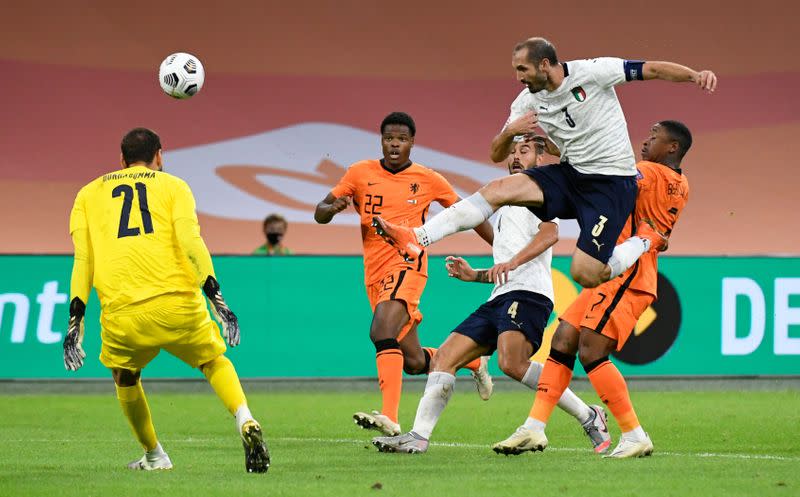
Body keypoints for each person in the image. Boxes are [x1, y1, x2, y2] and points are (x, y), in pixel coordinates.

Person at [373, 37, 714, 290]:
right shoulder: (525, 101)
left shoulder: (592, 73)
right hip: (571, 174)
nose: (518, 76)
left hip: (611, 183)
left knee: (586, 274)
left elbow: (651, 69)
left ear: (546, 64)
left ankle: (645, 240)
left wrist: (695, 75)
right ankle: (417, 237)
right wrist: (511, 131)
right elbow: (495, 153)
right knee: (497, 189)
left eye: (522, 69)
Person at [371, 135, 611, 454]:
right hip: (499, 297)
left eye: (524, 151)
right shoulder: (507, 203)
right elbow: (504, 266)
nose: (515, 156)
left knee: (512, 363)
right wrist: (475, 276)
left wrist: (513, 261)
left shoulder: (539, 195)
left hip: (529, 295)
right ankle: (418, 437)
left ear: (540, 160)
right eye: (511, 152)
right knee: (444, 357)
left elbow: (551, 233)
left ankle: (588, 415)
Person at [63, 128, 269, 473]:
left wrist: (75, 321)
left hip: (124, 313)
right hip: (179, 305)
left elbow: (83, 261)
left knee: (125, 376)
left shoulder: (87, 194)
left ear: (121, 159)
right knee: (213, 361)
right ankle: (244, 418)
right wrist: (217, 298)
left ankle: (155, 455)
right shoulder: (174, 186)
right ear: (160, 155)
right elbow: (191, 241)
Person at [492, 120, 692, 458]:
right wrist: (563, 151)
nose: (645, 141)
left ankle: (634, 433)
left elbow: (604, 173)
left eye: (654, 137)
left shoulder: (650, 173)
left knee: (591, 350)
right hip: (615, 269)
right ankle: (534, 427)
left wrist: (562, 151)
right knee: (563, 339)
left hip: (623, 271)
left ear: (672, 147)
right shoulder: (679, 182)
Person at [314, 112, 494, 436]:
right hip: (374, 272)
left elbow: (468, 213)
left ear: (412, 142)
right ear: (381, 140)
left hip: (409, 263)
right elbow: (320, 212)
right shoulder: (359, 172)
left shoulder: (428, 179)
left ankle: (390, 417)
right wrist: (331, 209)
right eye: (389, 138)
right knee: (412, 361)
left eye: (401, 138)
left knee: (381, 330)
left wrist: (501, 247)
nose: (394, 143)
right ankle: (472, 361)